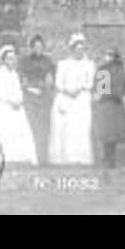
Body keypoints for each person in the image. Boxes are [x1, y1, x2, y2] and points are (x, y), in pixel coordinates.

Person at [48, 32, 95, 165]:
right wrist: (67, 91)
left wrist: (79, 89)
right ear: (72, 49)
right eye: (77, 49)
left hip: (81, 98)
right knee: (66, 128)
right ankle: (66, 157)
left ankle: (81, 157)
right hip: (66, 98)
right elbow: (58, 82)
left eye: (82, 49)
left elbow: (90, 82)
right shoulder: (63, 64)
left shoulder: (89, 64)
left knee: (81, 127)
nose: (79, 52)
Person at [92, 48, 125, 169]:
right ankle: (107, 159)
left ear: (114, 57)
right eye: (106, 54)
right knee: (106, 133)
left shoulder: (117, 70)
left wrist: (107, 94)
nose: (106, 57)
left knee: (111, 134)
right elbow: (98, 86)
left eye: (109, 55)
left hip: (112, 104)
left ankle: (111, 160)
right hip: (106, 104)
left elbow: (123, 87)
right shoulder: (104, 69)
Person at [19, 34, 55, 164]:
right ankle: (33, 157)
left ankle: (43, 157)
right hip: (30, 97)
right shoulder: (25, 61)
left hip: (44, 97)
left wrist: (48, 83)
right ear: (31, 48)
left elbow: (51, 78)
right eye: (35, 46)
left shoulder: (48, 61)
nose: (38, 48)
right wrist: (30, 87)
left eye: (40, 46)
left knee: (44, 127)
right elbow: (22, 80)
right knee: (32, 126)